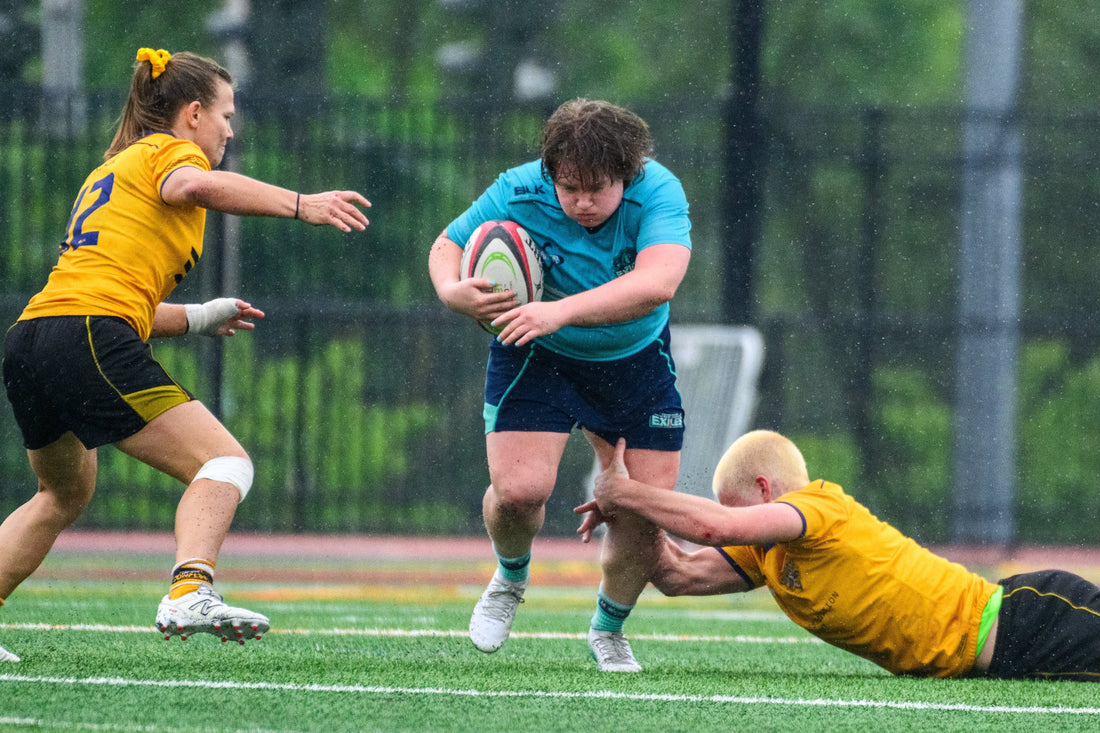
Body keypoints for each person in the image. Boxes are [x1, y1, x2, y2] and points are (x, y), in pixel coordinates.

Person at [0, 47, 371, 663]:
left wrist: (201, 316)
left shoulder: (112, 168)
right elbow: (192, 184)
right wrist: (302, 203)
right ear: (192, 113)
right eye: (226, 114)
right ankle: (190, 588)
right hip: (87, 330)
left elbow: (121, 297)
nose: (231, 128)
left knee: (62, 493)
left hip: (35, 336)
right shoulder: (172, 153)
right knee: (225, 463)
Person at [428, 99, 692, 672]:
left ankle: (609, 629)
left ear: (628, 173)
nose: (582, 202)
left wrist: (561, 310)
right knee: (520, 492)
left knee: (643, 512)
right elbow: (447, 244)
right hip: (537, 353)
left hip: (635, 359)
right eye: (569, 188)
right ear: (551, 174)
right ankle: (510, 576)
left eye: (596, 188)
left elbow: (660, 281)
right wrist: (452, 291)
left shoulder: (659, 191)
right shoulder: (521, 187)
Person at [577, 431, 1100, 680]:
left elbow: (715, 527)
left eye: (741, 508)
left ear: (766, 488)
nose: (744, 532)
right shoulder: (769, 556)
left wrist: (623, 493)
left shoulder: (818, 505)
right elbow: (675, 574)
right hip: (1006, 664)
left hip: (1029, 618)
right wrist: (631, 517)